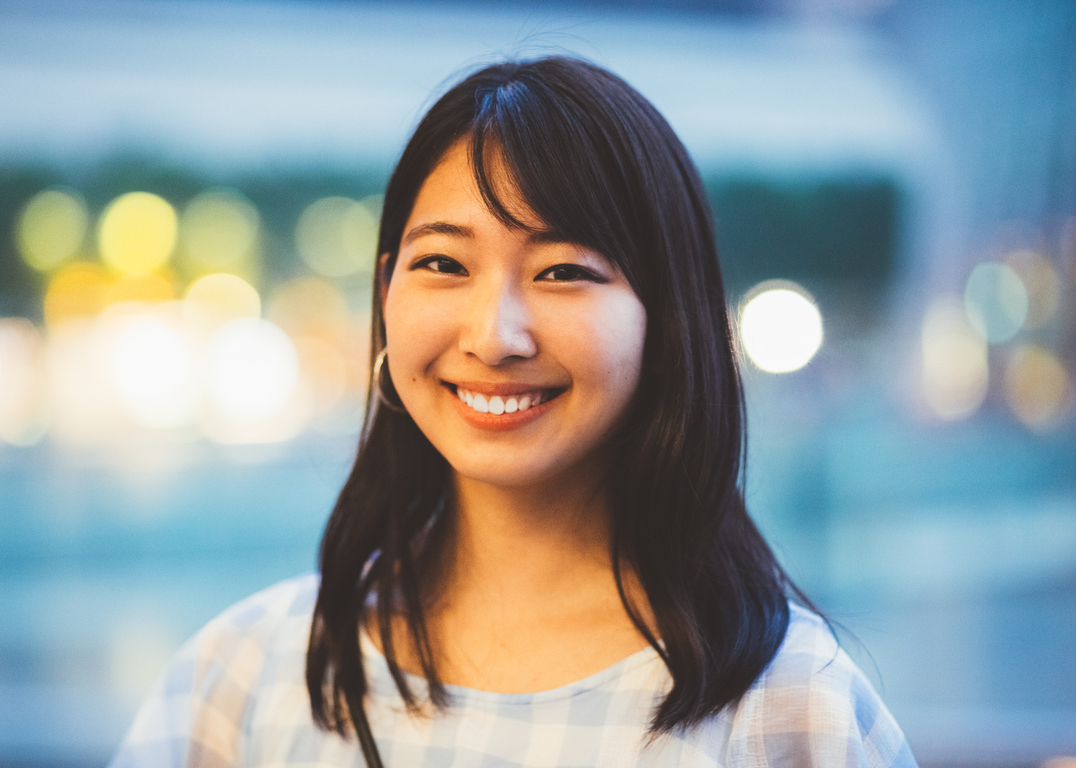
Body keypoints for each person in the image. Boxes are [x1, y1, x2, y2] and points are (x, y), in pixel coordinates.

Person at [111, 56, 917, 767]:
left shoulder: (786, 711)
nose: (494, 336)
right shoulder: (251, 674)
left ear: (668, 318)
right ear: (387, 289)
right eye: (443, 263)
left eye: (563, 270)